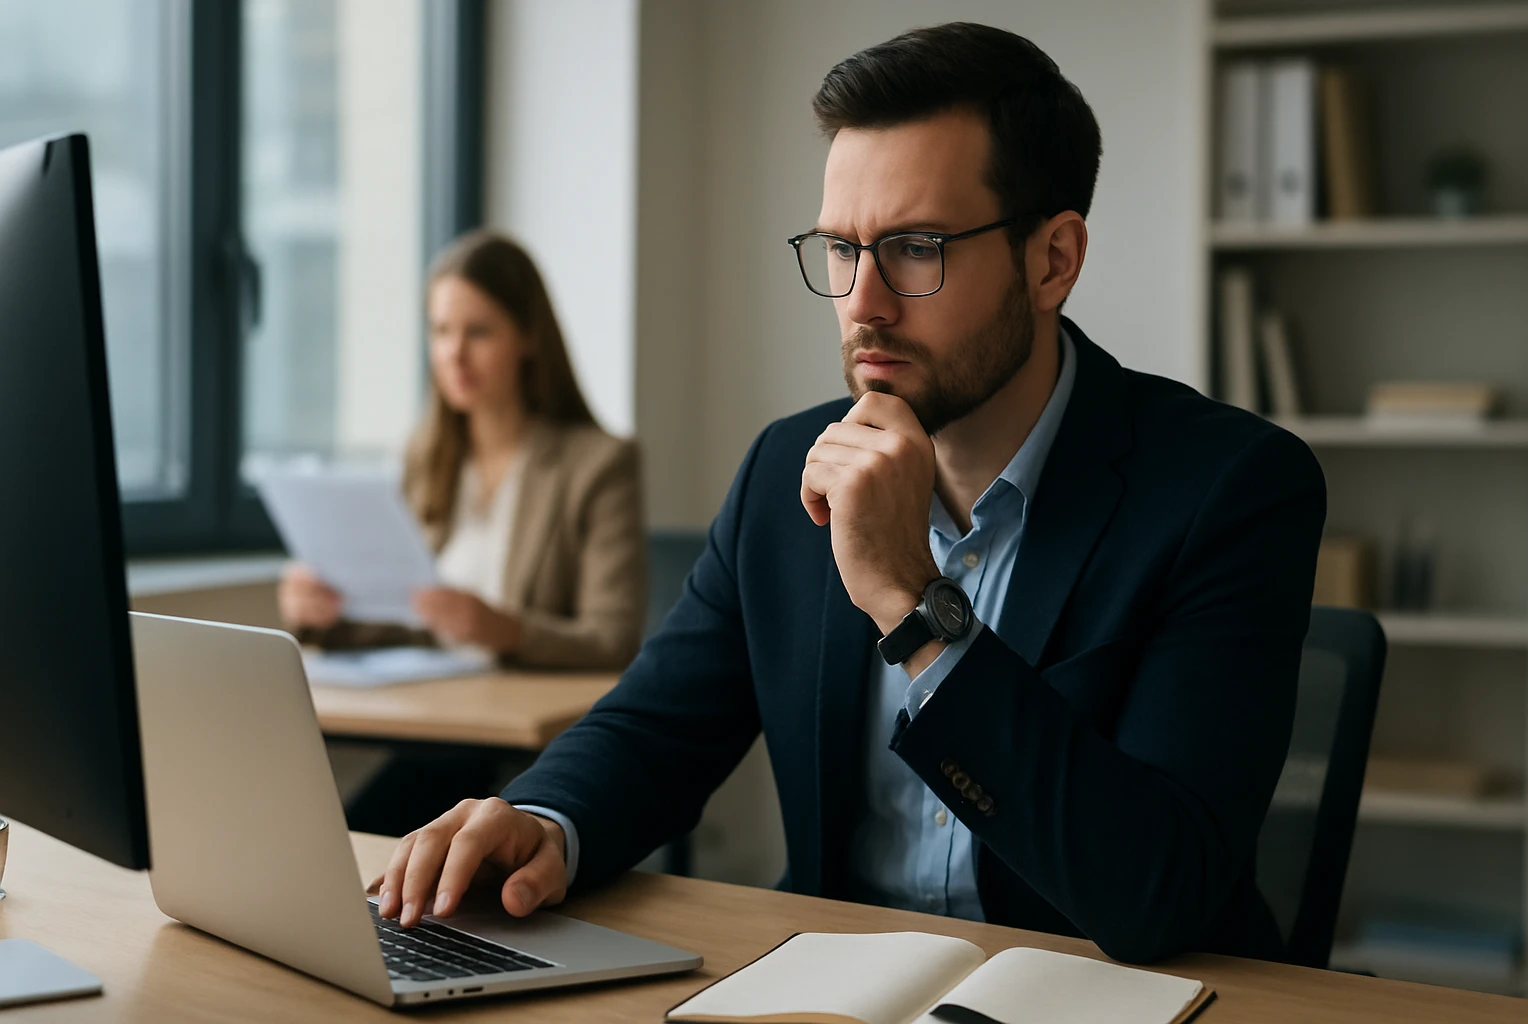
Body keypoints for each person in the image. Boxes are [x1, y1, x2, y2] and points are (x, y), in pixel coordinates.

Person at [372, 23, 1325, 965]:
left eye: (915, 247)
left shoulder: (1228, 489)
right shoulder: (784, 467)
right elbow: (657, 726)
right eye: (840, 247)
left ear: (1053, 260)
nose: (862, 301)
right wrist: (544, 819)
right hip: (834, 979)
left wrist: (913, 603)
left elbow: (1161, 891)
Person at [279, 230, 646, 671]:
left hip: (531, 710)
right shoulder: (425, 458)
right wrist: (324, 612)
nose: (455, 353)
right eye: (441, 331)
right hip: (436, 700)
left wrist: (505, 630)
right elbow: (410, 624)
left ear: (529, 336)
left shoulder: (599, 466)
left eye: (479, 332)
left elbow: (612, 641)